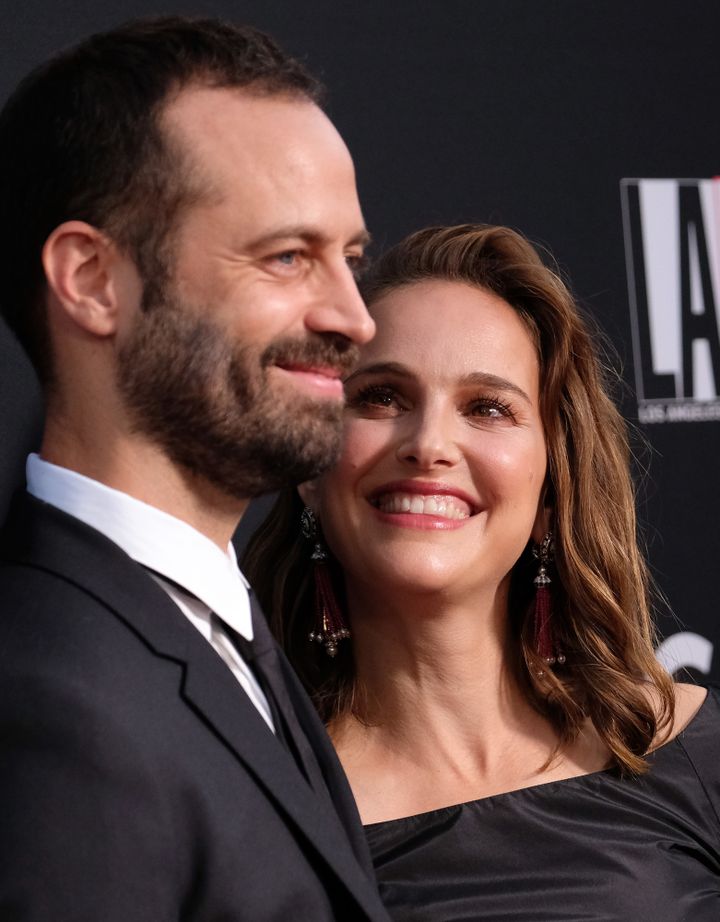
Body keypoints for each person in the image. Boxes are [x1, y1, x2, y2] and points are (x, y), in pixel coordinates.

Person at [0, 16, 392, 922]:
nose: (353, 316)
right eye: (288, 257)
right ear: (93, 279)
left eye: (352, 259)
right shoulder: (46, 704)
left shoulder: (217, 626)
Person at [244, 223, 720, 920]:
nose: (430, 443)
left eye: (487, 408)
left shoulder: (692, 753)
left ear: (551, 487)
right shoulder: (252, 805)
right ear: (310, 470)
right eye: (381, 397)